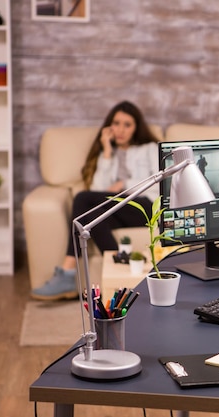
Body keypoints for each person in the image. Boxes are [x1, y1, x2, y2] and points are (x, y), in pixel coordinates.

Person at [31, 101, 160, 301]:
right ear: (109, 126)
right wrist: (107, 151)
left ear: (136, 128)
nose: (120, 130)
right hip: (118, 207)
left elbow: (159, 182)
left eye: (127, 124)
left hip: (144, 205)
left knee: (82, 198)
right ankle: (121, 270)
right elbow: (99, 190)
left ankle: (67, 272)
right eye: (116, 123)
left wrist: (123, 184)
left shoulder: (150, 148)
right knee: (91, 215)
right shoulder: (107, 153)